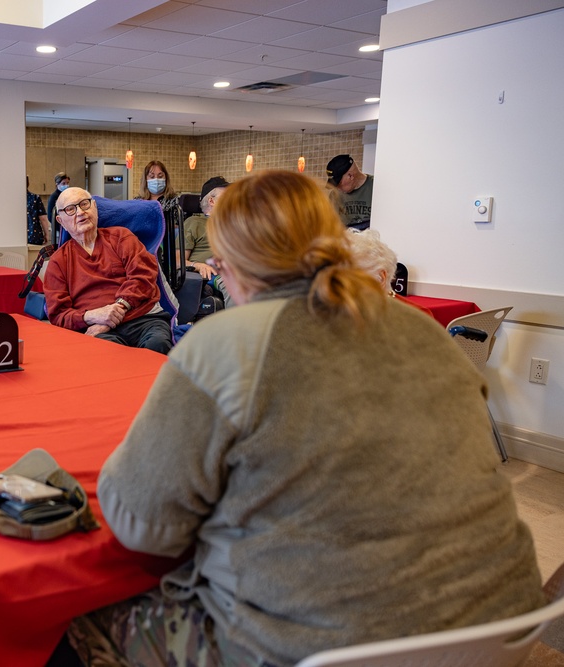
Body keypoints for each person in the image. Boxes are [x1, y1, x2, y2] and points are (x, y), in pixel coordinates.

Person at [68, 170, 544, 666]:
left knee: (75, 624)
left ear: (227, 264)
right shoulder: (424, 330)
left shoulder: (224, 344)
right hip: (499, 628)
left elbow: (143, 526)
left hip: (316, 647)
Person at [43, 187, 173, 354]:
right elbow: (59, 315)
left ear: (95, 207)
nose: (80, 212)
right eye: (71, 209)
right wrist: (92, 316)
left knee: (158, 345)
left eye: (84, 204)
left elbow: (144, 276)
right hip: (94, 327)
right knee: (108, 355)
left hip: (142, 319)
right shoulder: (58, 262)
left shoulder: (121, 237)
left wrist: (114, 312)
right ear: (61, 221)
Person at [182, 175, 231, 305]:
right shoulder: (194, 223)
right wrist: (197, 265)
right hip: (212, 274)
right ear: (211, 201)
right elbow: (176, 261)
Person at [136, 160, 184, 286]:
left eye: (160, 176)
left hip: (167, 244)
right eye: (152, 177)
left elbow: (179, 225)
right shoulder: (138, 202)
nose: (156, 179)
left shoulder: (174, 201)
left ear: (166, 177)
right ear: (146, 180)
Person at [326, 154, 373, 230]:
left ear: (350, 176)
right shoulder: (334, 195)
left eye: (339, 183)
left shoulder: (375, 187)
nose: (337, 188)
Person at [26, 176, 52, 245]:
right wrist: (46, 234)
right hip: (34, 237)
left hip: (16, 238)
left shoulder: (12, 200)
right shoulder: (35, 198)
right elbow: (43, 218)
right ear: (28, 183)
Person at [47, 172, 70, 244]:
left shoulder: (68, 195)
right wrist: (60, 226)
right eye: (63, 183)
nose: (66, 185)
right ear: (57, 184)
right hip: (59, 229)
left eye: (67, 183)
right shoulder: (54, 197)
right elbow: (50, 216)